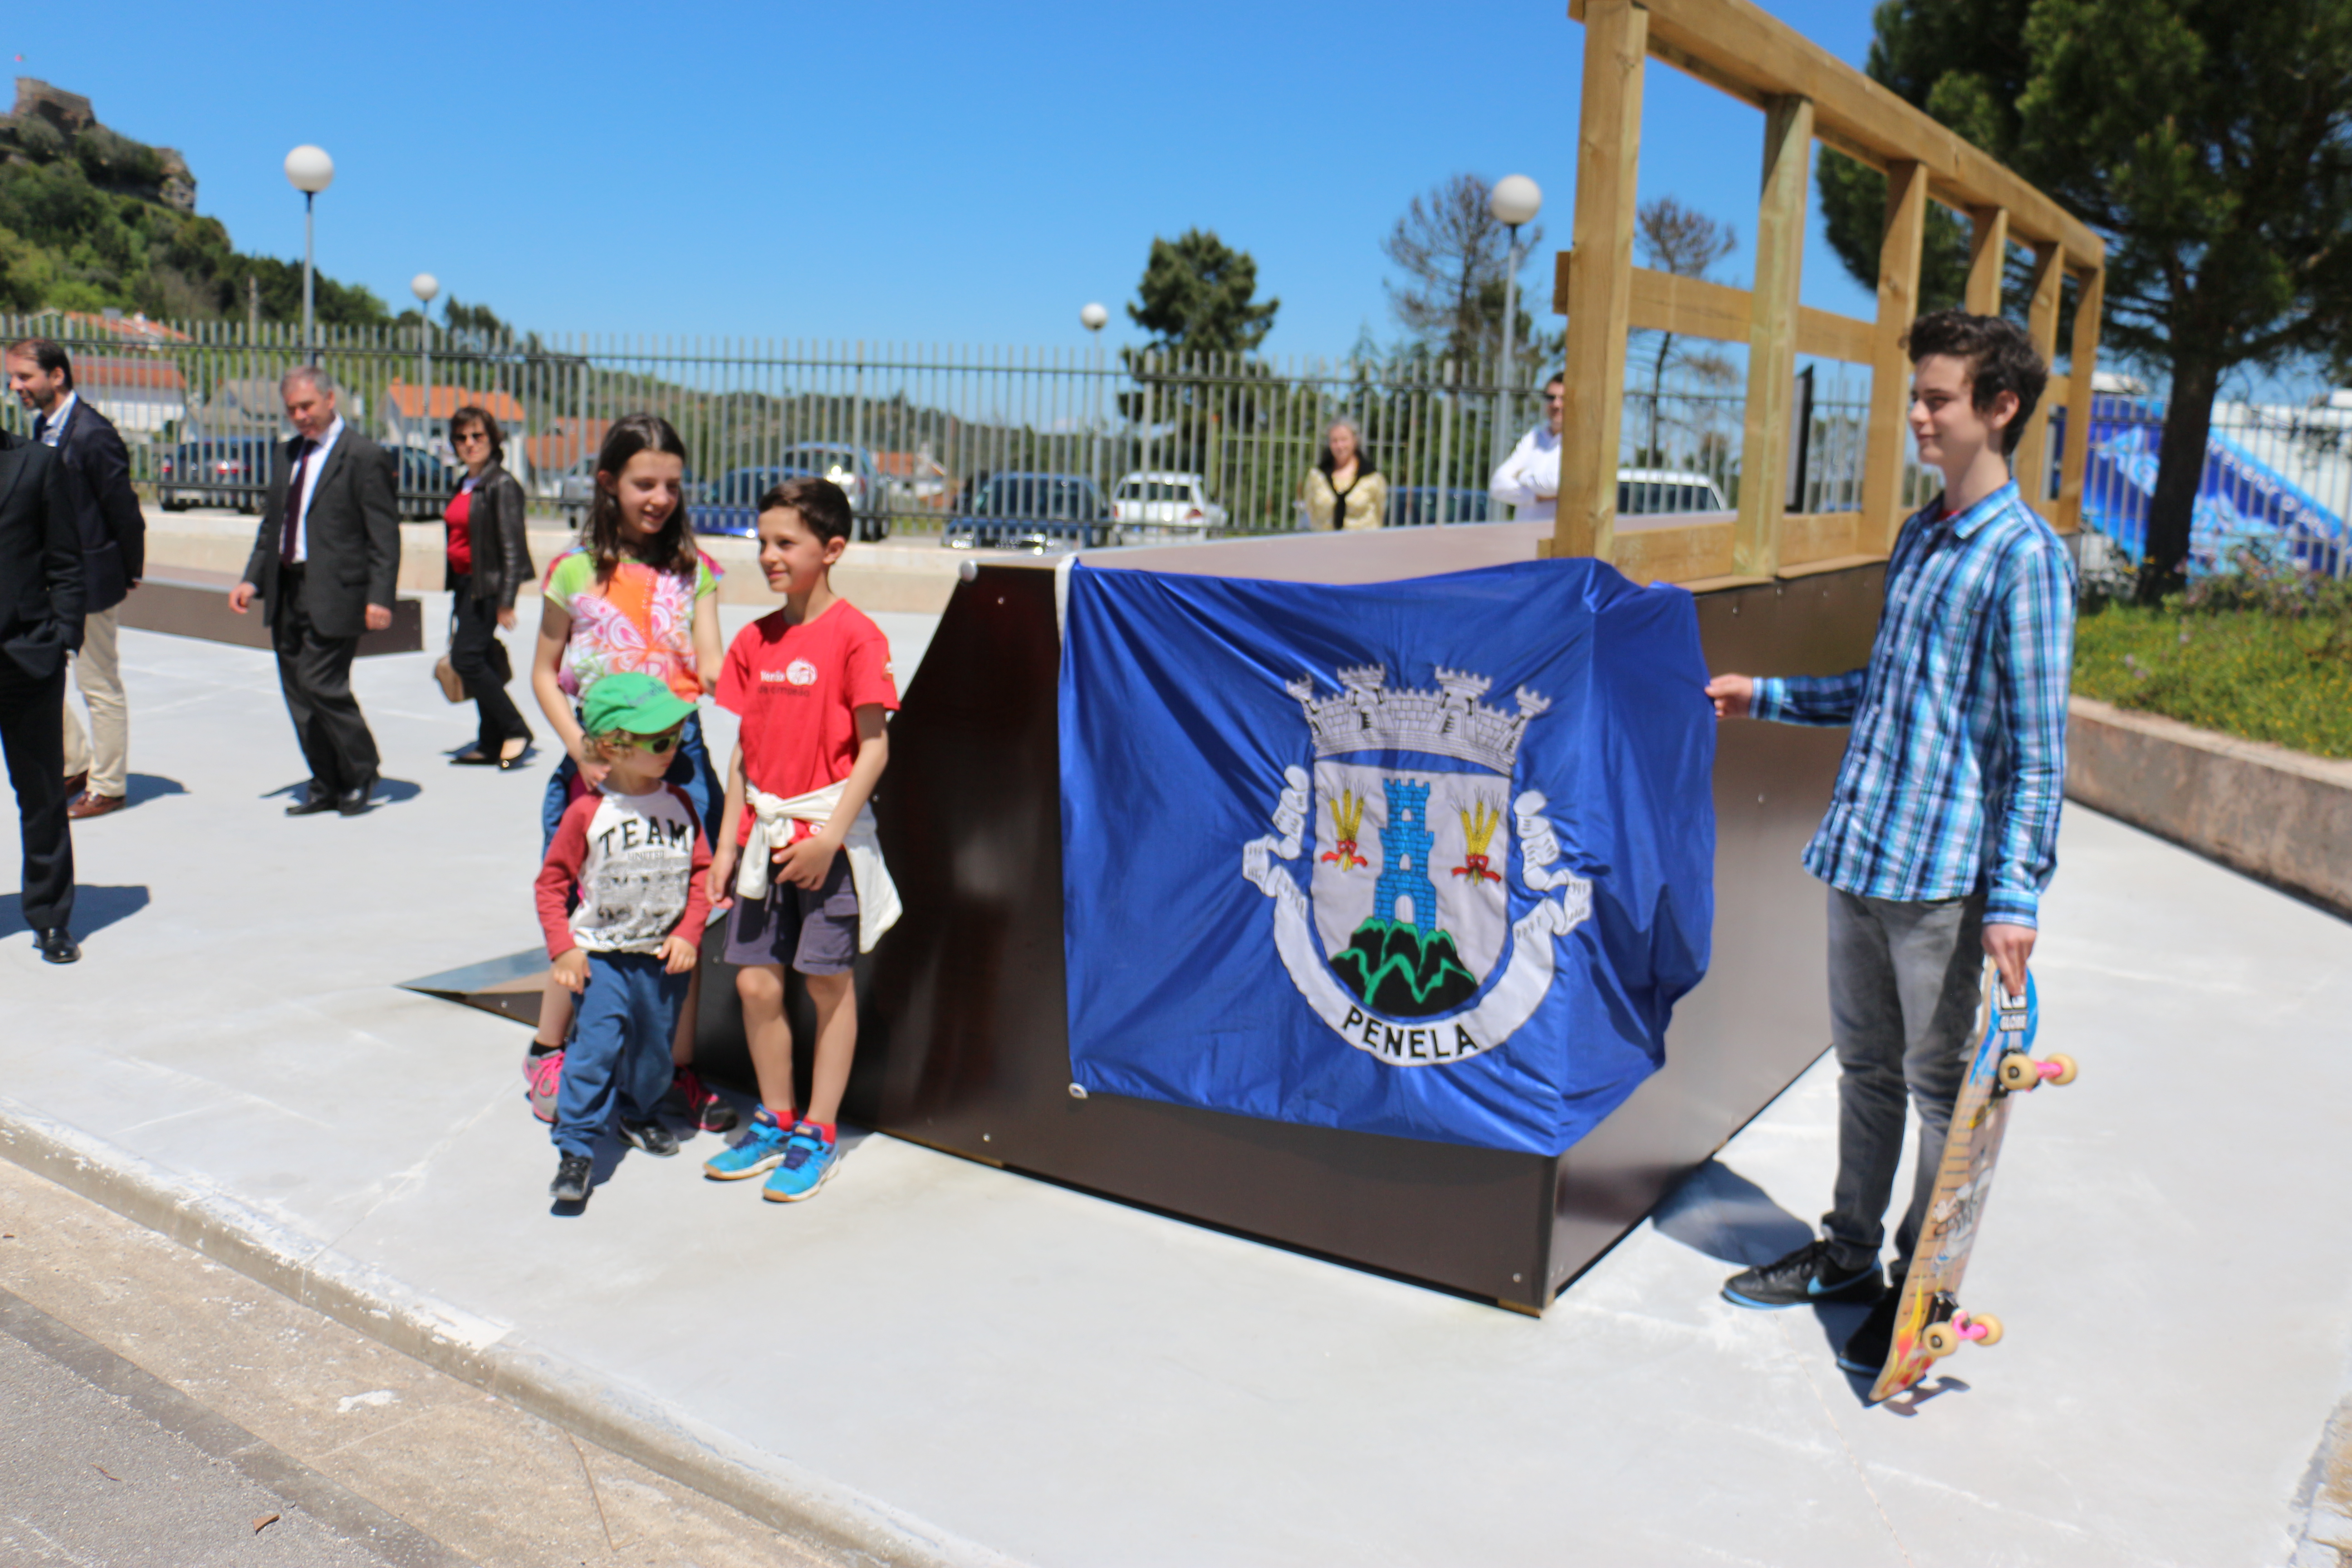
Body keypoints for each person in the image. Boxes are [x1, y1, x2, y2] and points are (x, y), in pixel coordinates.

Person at [1705, 310, 2074, 1377]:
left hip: (1942, 879)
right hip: (1863, 847)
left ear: (1998, 408)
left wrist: (2013, 894)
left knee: (1933, 1087)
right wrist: (1765, 690)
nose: (1914, 414)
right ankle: (1847, 1255)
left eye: (1936, 399)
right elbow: (1886, 691)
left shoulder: (2024, 559)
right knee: (1863, 1069)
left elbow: (2036, 751)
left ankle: (1920, 1289)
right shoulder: (1919, 534)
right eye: (1915, 396)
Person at [526, 413, 732, 1132]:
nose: (661, 499)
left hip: (683, 761)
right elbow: (545, 674)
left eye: (673, 485)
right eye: (645, 483)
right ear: (608, 483)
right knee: (590, 904)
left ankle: (675, 1068)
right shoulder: (574, 570)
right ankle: (550, 1049)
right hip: (600, 758)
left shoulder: (696, 570)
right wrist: (580, 745)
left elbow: (709, 662)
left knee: (682, 915)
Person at [701, 476, 900, 1202]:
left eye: (786, 543)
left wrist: (829, 841)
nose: (769, 556)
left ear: (833, 549)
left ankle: (819, 1132)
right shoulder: (753, 641)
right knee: (755, 982)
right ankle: (774, 1118)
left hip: (826, 847)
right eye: (763, 543)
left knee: (826, 984)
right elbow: (744, 756)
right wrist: (726, 846)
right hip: (762, 840)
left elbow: (874, 750)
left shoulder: (857, 636)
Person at [535, 671, 713, 1204]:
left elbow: (701, 874)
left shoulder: (680, 804)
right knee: (595, 1049)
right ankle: (577, 1147)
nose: (672, 748)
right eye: (658, 740)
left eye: (675, 736)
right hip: (603, 960)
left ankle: (641, 1113)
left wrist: (688, 932)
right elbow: (551, 884)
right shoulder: (588, 811)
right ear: (613, 744)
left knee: (654, 1051)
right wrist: (563, 947)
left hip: (660, 959)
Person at [228, 367, 400, 817]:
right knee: (298, 693)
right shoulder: (288, 455)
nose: (300, 416)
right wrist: (252, 579)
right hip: (288, 587)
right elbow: (274, 525)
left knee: (321, 683)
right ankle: (325, 781)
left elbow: (384, 536)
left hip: (338, 592)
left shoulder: (363, 455)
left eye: (307, 406)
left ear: (329, 400)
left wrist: (380, 598)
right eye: (292, 409)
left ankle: (362, 770)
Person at [7, 338, 143, 822]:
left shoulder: (92, 433)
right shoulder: (44, 428)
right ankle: (76, 762)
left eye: (25, 376)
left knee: (97, 683)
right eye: (13, 377)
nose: (15, 386)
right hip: (50, 580)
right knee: (39, 676)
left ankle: (109, 785)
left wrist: (129, 570)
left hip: (91, 578)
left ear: (57, 375)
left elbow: (123, 511)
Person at [0, 424, 82, 963]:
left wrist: (62, 638)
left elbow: (67, 563)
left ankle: (50, 918)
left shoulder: (36, 464)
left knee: (42, 795)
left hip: (26, 657)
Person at [442, 405, 534, 769]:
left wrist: (507, 600)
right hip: (465, 585)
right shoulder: (465, 482)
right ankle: (490, 740)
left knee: (466, 658)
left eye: (477, 436)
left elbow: (513, 547)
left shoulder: (502, 484)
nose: (469, 444)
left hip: (489, 588)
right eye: (461, 438)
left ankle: (516, 729)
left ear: (493, 439)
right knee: (478, 659)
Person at [1490, 373, 1565, 522]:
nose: (1556, 404)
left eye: (1564, 398)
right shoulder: (1533, 437)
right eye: (1551, 398)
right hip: (1523, 538)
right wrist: (1536, 497)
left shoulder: (1580, 443)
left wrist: (1522, 477)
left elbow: (1558, 484)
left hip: (1556, 539)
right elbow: (1497, 486)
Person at [1298, 417, 1385, 531]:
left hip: (1362, 544)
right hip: (1326, 543)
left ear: (1355, 441)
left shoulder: (1372, 477)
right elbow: (1311, 511)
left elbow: (1379, 514)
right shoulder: (1317, 476)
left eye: (1344, 440)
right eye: (1335, 441)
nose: (1340, 446)